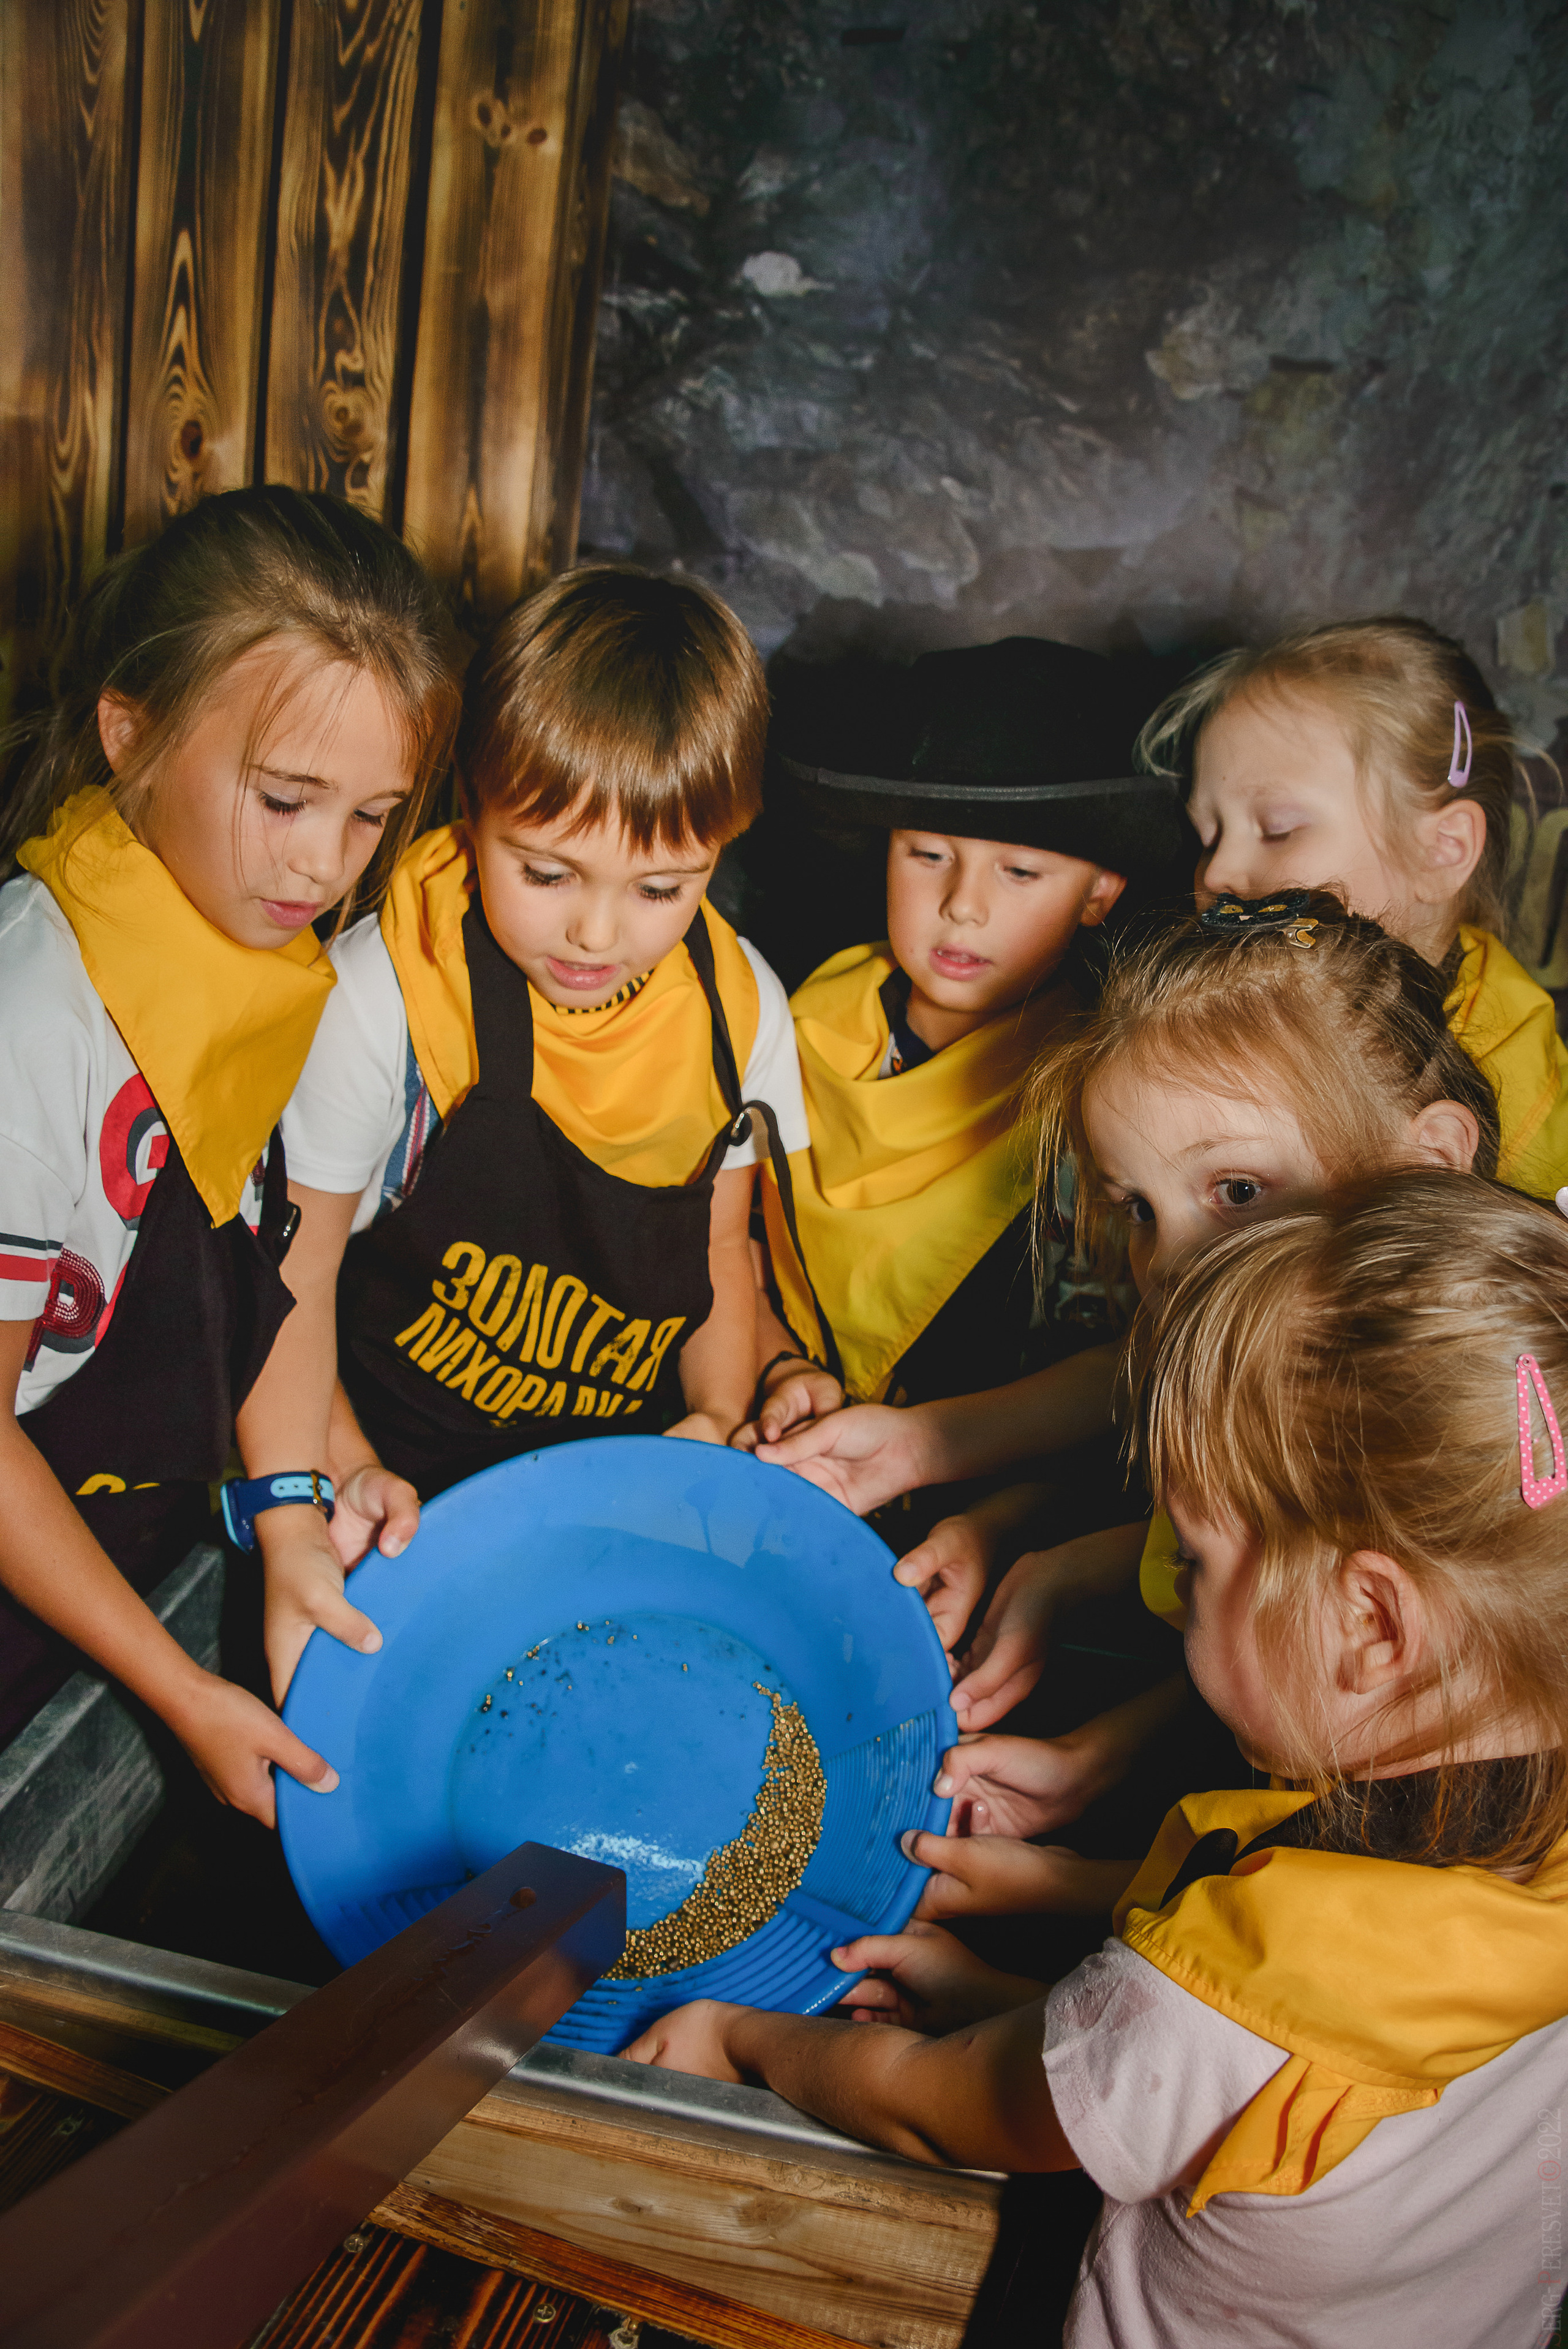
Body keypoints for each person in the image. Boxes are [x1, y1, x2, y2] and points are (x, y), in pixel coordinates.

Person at [625, 1169, 1568, 2349]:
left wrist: (737, 2035)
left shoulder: (1213, 2011)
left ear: (1373, 1630)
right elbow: (1255, 2096)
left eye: (1201, 1562)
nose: (1173, 1595)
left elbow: (939, 2111)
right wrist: (1025, 2011)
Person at [250, 564, 808, 1699]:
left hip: (619, 1499)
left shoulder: (740, 1012)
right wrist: (339, 1478)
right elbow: (287, 1287)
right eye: (547, 872)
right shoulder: (388, 999)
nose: (598, 932)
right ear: (473, 798)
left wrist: (713, 1417)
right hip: (403, 1497)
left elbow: (719, 1254)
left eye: (663, 888)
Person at [0, 485, 459, 1821]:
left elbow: (271, 1277)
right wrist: (186, 1691)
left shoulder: (257, 956)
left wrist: (295, 1524)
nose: (323, 865)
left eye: (371, 817)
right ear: (128, 730)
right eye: (284, 799)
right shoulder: (35, 1013)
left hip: (119, 1554)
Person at [905, 891, 1501, 1916]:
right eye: (1138, 1208)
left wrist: (1074, 1899)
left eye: (1235, 1193)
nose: (1169, 1265)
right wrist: (1101, 1758)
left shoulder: (1461, 1459)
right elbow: (1286, 1668)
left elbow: (1359, 1910)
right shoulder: (1318, 1375)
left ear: (1427, 1165)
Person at [741, 636, 1183, 1460]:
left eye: (1019, 872)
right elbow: (728, 1240)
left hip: (985, 1488)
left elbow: (1126, 1361)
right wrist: (774, 1362)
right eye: (929, 854)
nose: (963, 906)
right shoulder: (796, 1020)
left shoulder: (1101, 1094)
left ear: (1099, 893)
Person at [1141, 613, 1568, 1197]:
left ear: (1442, 852)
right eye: (1207, 836)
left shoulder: (1515, 1097)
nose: (1215, 871)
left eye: (1278, 830)